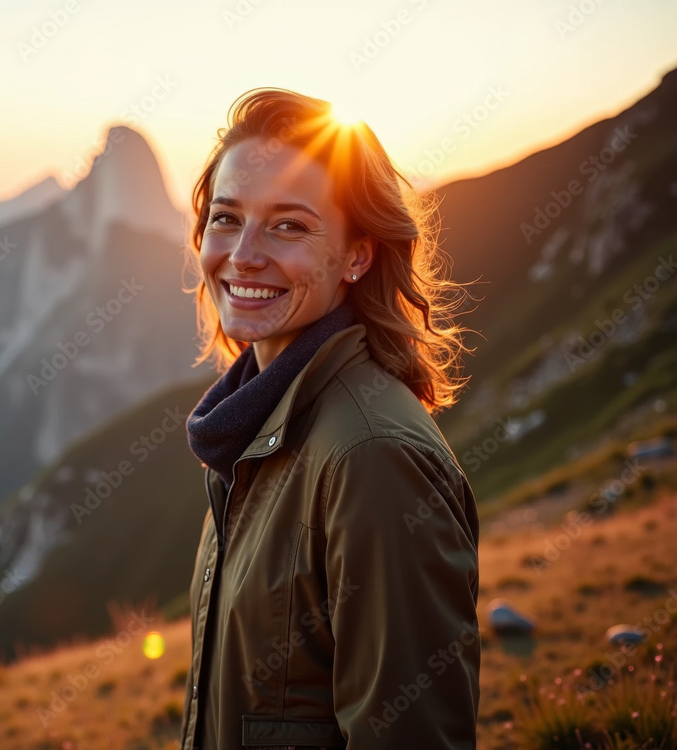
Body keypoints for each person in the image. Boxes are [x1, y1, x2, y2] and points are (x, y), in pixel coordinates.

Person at [178, 87, 482, 750]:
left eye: (289, 225)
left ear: (357, 255)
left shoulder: (370, 458)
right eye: (227, 219)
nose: (243, 254)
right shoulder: (257, 422)